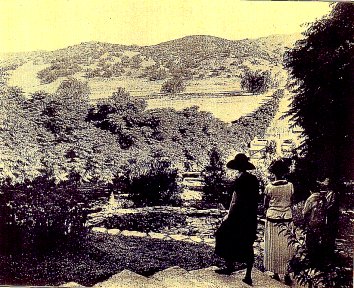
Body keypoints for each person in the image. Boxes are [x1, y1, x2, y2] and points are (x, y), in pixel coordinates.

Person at [215, 153, 259, 286]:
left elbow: (235, 201)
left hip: (238, 216)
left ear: (237, 167)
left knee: (223, 234)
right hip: (250, 216)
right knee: (248, 243)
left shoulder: (240, 180)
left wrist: (228, 215)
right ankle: (248, 275)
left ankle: (229, 266)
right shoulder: (254, 179)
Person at [263, 159, 294, 285]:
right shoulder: (290, 186)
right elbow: (291, 200)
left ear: (273, 172)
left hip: (273, 218)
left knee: (273, 246)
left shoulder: (269, 187)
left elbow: (265, 204)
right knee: (286, 246)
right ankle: (286, 273)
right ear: (285, 172)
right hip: (286, 217)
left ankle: (275, 273)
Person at [302, 178, 338, 263]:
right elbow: (325, 209)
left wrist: (305, 220)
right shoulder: (323, 197)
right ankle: (319, 259)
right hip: (321, 223)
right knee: (319, 240)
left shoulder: (311, 198)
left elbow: (305, 212)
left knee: (311, 241)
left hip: (313, 223)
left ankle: (313, 260)